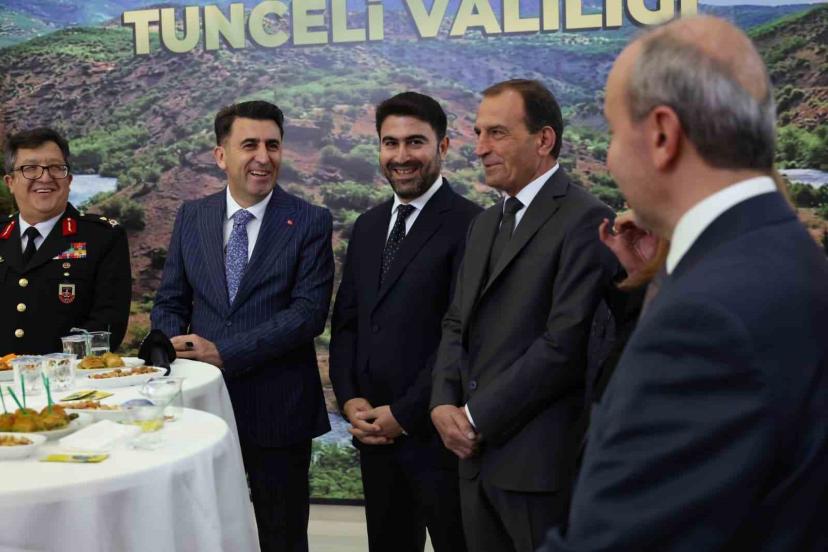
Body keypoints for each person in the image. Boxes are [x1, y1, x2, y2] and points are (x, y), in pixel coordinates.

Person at [542, 16, 828, 551]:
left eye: (612, 132)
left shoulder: (706, 318)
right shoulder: (786, 255)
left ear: (662, 135)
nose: (609, 157)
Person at [429, 79, 617, 552]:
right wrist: (441, 404)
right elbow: (456, 322)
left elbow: (564, 344)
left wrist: (474, 416)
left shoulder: (586, 219)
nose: (480, 148)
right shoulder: (484, 224)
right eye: (478, 133)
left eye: (497, 133)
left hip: (538, 470)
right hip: (474, 466)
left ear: (544, 139)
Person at [151, 101, 333, 552]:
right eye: (249, 145)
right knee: (205, 534)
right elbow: (171, 300)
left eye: (273, 145)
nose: (263, 157)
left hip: (280, 409)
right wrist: (172, 347)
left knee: (282, 537)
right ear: (221, 155)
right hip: (201, 407)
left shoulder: (309, 220)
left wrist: (224, 352)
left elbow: (307, 313)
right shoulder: (192, 216)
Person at [329, 91, 480, 552]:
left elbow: (463, 337)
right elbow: (348, 323)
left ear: (443, 146)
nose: (401, 156)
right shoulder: (368, 226)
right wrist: (350, 398)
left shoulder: (474, 225)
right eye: (390, 143)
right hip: (374, 435)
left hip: (439, 442)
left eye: (415, 142)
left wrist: (404, 414)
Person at [1, 127, 131, 355]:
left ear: (69, 179)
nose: (45, 177)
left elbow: (107, 325)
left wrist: (53, 367)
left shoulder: (103, 238)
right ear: (10, 182)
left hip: (68, 374)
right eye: (30, 168)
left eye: (55, 168)